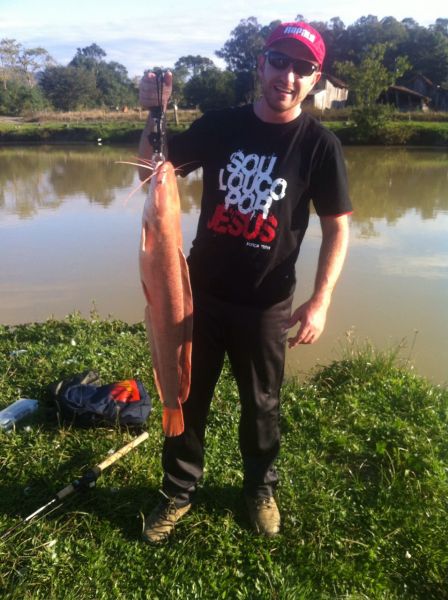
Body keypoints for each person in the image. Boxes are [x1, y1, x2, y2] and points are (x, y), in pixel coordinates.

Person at [138, 21, 352, 543]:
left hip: (266, 303)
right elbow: (151, 172)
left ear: (316, 79)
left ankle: (259, 489)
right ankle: (178, 491)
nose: (288, 76)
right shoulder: (220, 126)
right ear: (261, 64)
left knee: (262, 406)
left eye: (302, 68)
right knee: (186, 395)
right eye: (279, 61)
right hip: (200, 295)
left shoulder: (320, 146)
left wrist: (320, 301)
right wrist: (153, 114)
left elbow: (337, 228)